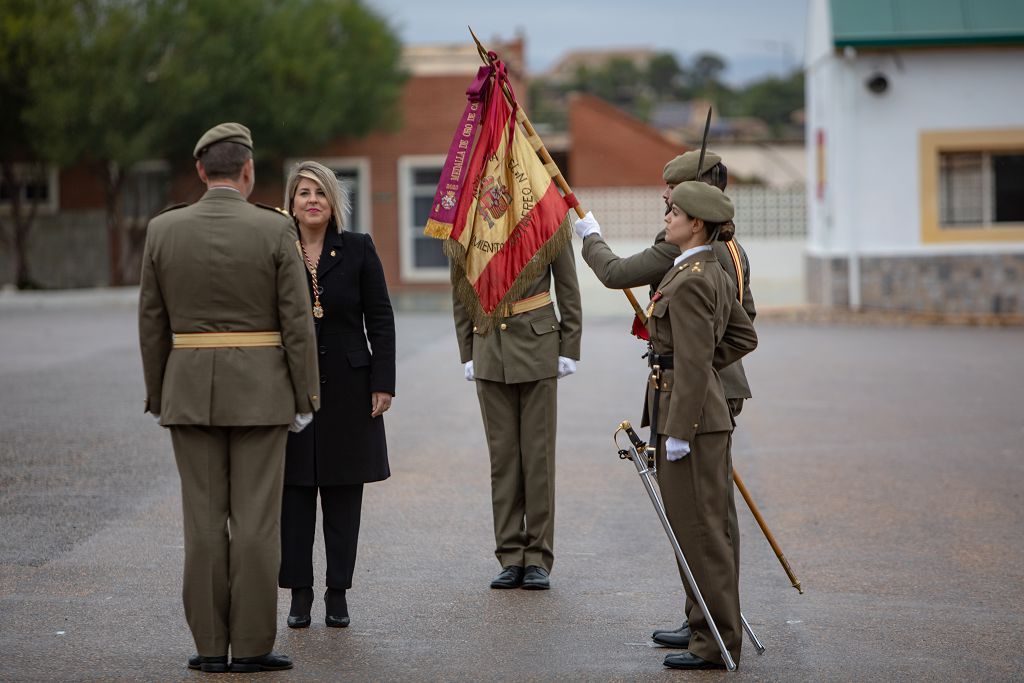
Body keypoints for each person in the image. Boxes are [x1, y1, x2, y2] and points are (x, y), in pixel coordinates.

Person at [139, 122, 320, 674]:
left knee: (202, 521)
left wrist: (158, 392)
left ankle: (210, 647)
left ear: (200, 171)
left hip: (189, 391)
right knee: (257, 523)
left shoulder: (163, 231)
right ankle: (252, 646)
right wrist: (306, 392)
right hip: (262, 392)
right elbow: (296, 319)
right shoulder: (274, 231)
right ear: (247, 171)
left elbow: (152, 321)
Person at [574, 149, 756, 647]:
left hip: (693, 401)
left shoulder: (692, 257)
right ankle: (711, 617)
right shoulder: (729, 250)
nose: (665, 202)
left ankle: (712, 624)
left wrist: (590, 238)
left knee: (701, 520)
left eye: (672, 196)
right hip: (708, 391)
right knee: (710, 517)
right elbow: (745, 327)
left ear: (697, 205)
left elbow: (616, 273)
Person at [642, 180, 757, 669]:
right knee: (705, 529)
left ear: (697, 224)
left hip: (688, 421)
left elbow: (691, 363)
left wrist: (682, 430)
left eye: (675, 212)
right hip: (697, 412)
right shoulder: (706, 268)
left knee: (702, 532)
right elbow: (742, 336)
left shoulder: (690, 279)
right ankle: (709, 630)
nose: (667, 217)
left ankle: (713, 644)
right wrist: (706, 372)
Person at [277, 161, 396, 629]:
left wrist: (383, 382)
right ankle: (299, 595)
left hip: (350, 389)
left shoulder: (359, 249)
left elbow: (380, 318)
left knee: (344, 495)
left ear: (333, 203)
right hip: (292, 390)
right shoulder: (278, 249)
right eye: (303, 192)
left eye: (319, 193)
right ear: (291, 202)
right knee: (294, 495)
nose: (311, 200)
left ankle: (337, 594)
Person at [453, 243, 582, 590]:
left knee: (537, 458)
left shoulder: (543, 209)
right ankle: (510, 555)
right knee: (504, 459)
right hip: (489, 345)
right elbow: (461, 285)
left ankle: (538, 556)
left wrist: (570, 345)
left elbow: (568, 284)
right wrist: (467, 348)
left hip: (538, 344)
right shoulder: (474, 215)